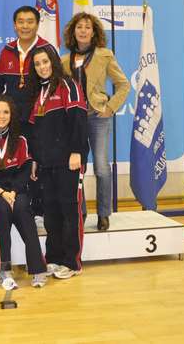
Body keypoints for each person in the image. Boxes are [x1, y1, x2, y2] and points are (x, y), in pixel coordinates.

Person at [61, 13, 129, 231]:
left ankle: (103, 214)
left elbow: (124, 84)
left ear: (94, 32)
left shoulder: (104, 55)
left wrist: (110, 107)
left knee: (101, 167)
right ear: (73, 31)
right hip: (73, 121)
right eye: (79, 27)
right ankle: (79, 212)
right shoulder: (63, 60)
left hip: (97, 118)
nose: (83, 30)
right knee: (76, 168)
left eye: (87, 27)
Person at [0, 95, 49, 289]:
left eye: (6, 112)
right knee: (0, 210)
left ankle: (38, 267)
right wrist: (0, 191)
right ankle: (3, 268)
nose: (1, 116)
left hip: (16, 191)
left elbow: (24, 171)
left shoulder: (21, 140)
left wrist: (13, 192)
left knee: (24, 209)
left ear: (11, 115)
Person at [27, 46, 88, 279]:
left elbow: (78, 120)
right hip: (46, 163)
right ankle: (53, 257)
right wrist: (34, 159)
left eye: (45, 62)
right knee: (51, 212)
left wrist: (76, 152)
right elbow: (35, 131)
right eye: (37, 64)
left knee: (69, 210)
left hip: (68, 161)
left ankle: (72, 262)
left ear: (53, 61)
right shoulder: (38, 92)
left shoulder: (68, 85)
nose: (42, 67)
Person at [0, 6, 56, 126]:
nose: (25, 26)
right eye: (21, 22)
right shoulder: (7, 51)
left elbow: (57, 84)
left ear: (37, 25)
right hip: (11, 121)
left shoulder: (47, 49)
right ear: (15, 25)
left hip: (41, 120)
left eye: (30, 22)